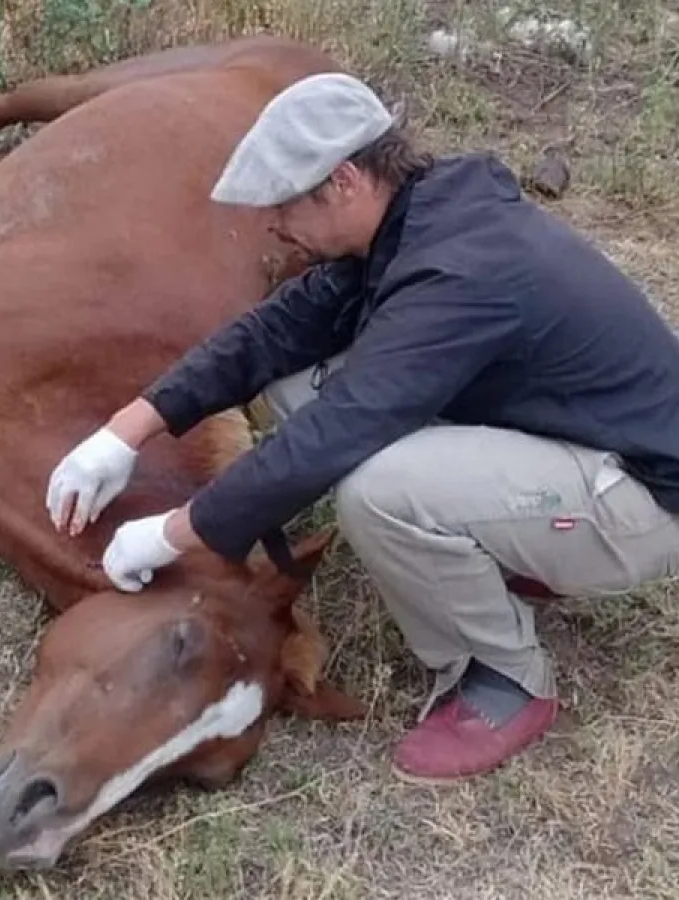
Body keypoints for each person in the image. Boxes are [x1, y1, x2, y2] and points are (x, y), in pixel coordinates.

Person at [43, 71, 679, 783]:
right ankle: (499, 543)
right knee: (291, 383)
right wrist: (123, 433)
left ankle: (504, 677)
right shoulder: (413, 218)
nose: (274, 226)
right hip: (569, 442)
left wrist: (172, 532)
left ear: (343, 181)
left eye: (284, 205)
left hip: (640, 497)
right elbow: (273, 334)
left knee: (379, 489)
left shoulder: (459, 272)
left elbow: (345, 426)